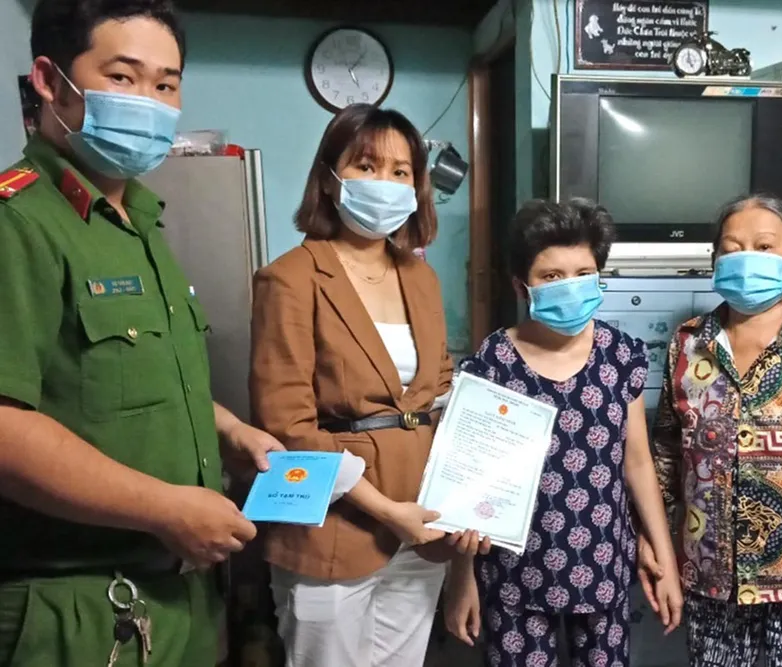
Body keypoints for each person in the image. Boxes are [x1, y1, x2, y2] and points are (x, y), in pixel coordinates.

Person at [0, 1, 284, 665]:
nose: (148, 104)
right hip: (77, 612)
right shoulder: (20, 223)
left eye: (165, 84)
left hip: (179, 601)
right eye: (122, 78)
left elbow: (135, 377)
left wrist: (227, 430)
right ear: (48, 80)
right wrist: (165, 509)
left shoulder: (138, 222)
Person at [249, 103, 486, 667]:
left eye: (401, 172)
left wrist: (474, 490)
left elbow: (439, 392)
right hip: (332, 526)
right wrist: (385, 509)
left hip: (420, 523)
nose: (385, 182)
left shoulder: (420, 277)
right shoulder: (290, 278)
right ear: (330, 180)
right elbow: (287, 425)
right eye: (366, 166)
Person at [444, 198, 683, 667]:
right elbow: (470, 479)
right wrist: (461, 576)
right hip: (512, 574)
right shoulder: (493, 362)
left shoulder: (621, 355)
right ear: (522, 285)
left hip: (602, 562)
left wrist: (665, 557)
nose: (569, 286)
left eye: (583, 273)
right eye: (551, 276)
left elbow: (637, 461)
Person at [649, 194, 782, 667]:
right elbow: (665, 453)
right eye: (732, 248)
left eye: (764, 247)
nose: (747, 259)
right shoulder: (687, 344)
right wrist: (652, 542)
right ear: (715, 260)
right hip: (708, 580)